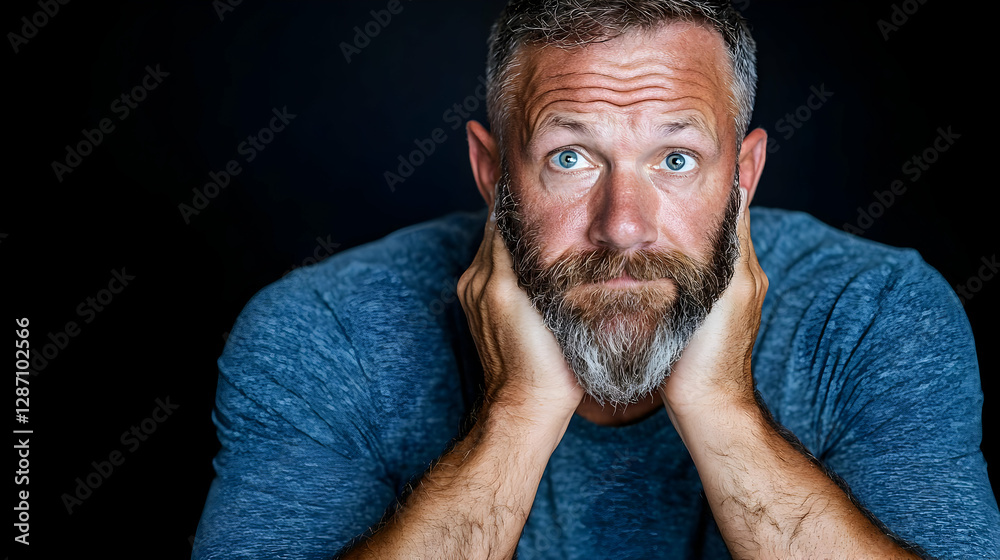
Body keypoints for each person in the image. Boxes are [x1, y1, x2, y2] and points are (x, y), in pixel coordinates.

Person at [193, 1, 1000, 558]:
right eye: (570, 157)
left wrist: (722, 410)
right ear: (490, 170)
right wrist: (517, 416)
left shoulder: (874, 316)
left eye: (675, 159)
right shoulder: (321, 335)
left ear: (745, 175)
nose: (622, 224)